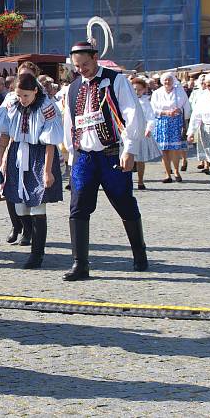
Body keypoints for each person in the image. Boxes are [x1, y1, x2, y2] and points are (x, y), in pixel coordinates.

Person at [62, 41, 147, 281]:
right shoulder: (73, 88)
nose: (82, 69)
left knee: (124, 203)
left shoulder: (116, 80)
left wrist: (129, 149)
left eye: (85, 64)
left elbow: (133, 115)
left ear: (95, 57)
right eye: (77, 66)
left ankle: (139, 254)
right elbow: (70, 122)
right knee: (77, 208)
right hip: (84, 156)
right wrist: (72, 153)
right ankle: (80, 264)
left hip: (111, 153)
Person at [0, 73, 64, 268]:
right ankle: (27, 232)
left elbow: (50, 142)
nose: (22, 100)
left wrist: (48, 171)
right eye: (19, 95)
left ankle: (37, 254)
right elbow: (5, 133)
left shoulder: (46, 107)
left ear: (34, 91)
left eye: (26, 96)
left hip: (39, 155)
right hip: (17, 153)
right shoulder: (11, 105)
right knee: (19, 204)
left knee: (38, 204)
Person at [0, 62, 42, 248]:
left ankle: (29, 230)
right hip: (12, 146)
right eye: (21, 75)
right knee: (9, 187)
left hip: (34, 147)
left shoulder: (40, 99)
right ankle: (16, 225)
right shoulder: (11, 98)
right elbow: (2, 126)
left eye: (29, 76)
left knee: (31, 189)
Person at [150, 71, 188, 183]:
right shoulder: (157, 93)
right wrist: (164, 112)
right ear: (162, 81)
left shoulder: (179, 91)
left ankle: (176, 171)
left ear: (173, 80)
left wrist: (179, 110)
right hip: (161, 122)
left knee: (174, 149)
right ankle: (167, 173)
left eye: (169, 79)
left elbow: (186, 105)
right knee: (164, 150)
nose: (167, 82)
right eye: (165, 80)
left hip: (175, 122)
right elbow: (152, 108)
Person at [188, 73, 210, 193]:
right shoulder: (203, 98)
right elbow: (196, 115)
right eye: (208, 85)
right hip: (206, 129)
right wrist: (191, 132)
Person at [131, 78, 162, 190]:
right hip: (129, 131)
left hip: (141, 131)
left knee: (140, 158)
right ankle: (127, 180)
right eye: (134, 89)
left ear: (144, 90)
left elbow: (150, 117)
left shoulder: (145, 102)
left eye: (139, 90)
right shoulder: (127, 100)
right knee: (128, 157)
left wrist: (149, 128)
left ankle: (140, 181)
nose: (136, 92)